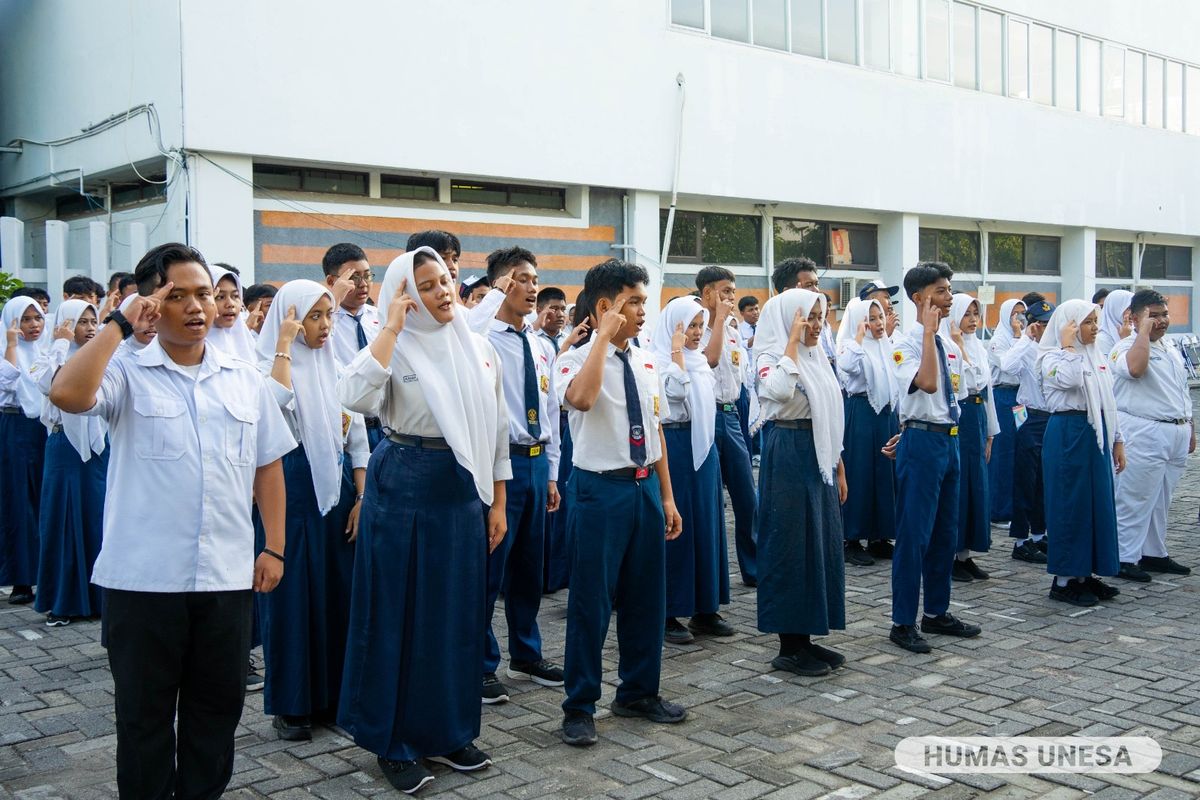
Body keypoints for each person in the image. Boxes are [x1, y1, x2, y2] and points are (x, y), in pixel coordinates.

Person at [49, 242, 292, 800]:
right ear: (149, 303)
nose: (197, 307)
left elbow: (268, 466)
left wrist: (273, 546)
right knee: (144, 721)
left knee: (216, 716)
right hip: (144, 583)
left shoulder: (242, 375)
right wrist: (118, 322)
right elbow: (66, 393)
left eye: (203, 293)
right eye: (175, 295)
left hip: (225, 580)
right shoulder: (127, 371)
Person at [337, 247, 509, 794]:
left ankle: (450, 730)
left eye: (446, 281)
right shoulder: (392, 345)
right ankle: (393, 741)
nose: (442, 292)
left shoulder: (478, 348)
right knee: (397, 614)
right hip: (404, 477)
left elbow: (498, 431)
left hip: (462, 486)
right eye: (427, 285)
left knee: (455, 613)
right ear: (404, 295)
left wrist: (498, 503)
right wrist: (388, 329)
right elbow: (354, 397)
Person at [555, 258, 685, 748]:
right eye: (633, 303)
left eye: (644, 303)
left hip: (644, 485)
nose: (642, 312)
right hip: (598, 491)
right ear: (607, 305)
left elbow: (657, 433)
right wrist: (601, 341)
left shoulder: (647, 360)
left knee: (647, 598)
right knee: (591, 602)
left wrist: (667, 497)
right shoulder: (572, 357)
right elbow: (582, 400)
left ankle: (638, 691)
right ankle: (580, 705)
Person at [254, 280, 369, 741]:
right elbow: (274, 404)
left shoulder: (333, 366)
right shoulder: (265, 366)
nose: (324, 326)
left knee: (337, 595)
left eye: (328, 316)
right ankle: (293, 703)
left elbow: (356, 434)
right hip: (291, 486)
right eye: (313, 316)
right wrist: (282, 342)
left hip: (337, 489)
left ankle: (333, 696)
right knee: (292, 596)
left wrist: (361, 497)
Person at [479, 246, 564, 704]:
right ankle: (481, 662)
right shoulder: (482, 337)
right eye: (520, 279)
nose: (530, 288)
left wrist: (551, 473)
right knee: (491, 567)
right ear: (500, 285)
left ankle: (526, 653)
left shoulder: (538, 343)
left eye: (534, 279)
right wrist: (493, 297)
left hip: (533, 460)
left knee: (530, 566)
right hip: (499, 464)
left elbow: (549, 410)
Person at [887, 263, 982, 654]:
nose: (948, 298)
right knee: (914, 535)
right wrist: (928, 333)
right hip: (923, 446)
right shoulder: (904, 343)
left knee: (945, 533)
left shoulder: (947, 343)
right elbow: (925, 383)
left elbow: (957, 392)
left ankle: (937, 611)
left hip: (948, 440)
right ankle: (902, 621)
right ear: (919, 298)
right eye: (941, 292)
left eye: (948, 290)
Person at [755, 288, 848, 676]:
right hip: (789, 448)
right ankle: (788, 646)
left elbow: (830, 411)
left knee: (818, 542)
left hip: (818, 453)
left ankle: (808, 636)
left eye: (819, 317)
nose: (815, 325)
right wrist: (791, 342)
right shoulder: (770, 354)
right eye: (806, 317)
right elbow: (775, 391)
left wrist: (839, 466)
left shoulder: (816, 356)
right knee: (790, 543)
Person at [651, 296, 729, 645]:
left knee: (707, 525)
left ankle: (705, 608)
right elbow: (673, 395)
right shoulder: (656, 360)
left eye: (701, 325)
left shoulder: (700, 362)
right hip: (675, 447)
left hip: (703, 449)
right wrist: (676, 355)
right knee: (676, 527)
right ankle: (668, 611)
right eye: (690, 326)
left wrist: (685, 356)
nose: (697, 333)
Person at [1038, 299, 1124, 606]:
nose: (1094, 327)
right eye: (1086, 322)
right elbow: (1068, 379)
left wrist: (1118, 439)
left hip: (1096, 434)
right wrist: (1067, 346)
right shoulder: (1051, 356)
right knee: (1070, 504)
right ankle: (1064, 580)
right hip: (1068, 433)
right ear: (1069, 325)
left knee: (1096, 504)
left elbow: (1108, 400)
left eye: (1094, 321)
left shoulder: (1097, 355)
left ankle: (1087, 574)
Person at [30, 300, 107, 626]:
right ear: (64, 324)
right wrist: (61, 342)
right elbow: (48, 384)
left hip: (100, 449)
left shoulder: (103, 356)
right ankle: (64, 601)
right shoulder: (46, 355)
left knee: (96, 520)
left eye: (93, 321)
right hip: (64, 448)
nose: (90, 328)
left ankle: (100, 598)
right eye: (81, 322)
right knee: (63, 522)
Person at [1111, 290, 1193, 582]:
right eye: (1152, 316)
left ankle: (1153, 552)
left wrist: (1190, 425)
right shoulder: (1124, 347)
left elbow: (1180, 389)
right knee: (1134, 496)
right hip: (1144, 430)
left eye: (1164, 314)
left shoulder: (1170, 347)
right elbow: (1135, 369)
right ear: (1133, 318)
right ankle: (1123, 556)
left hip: (1175, 429)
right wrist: (1141, 333)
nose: (1161, 321)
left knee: (1161, 499)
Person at [696, 266, 758, 587]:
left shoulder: (734, 330)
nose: (730, 298)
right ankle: (713, 574)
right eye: (724, 292)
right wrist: (717, 319)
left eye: (733, 292)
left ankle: (755, 567)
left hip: (732, 416)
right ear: (707, 293)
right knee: (710, 500)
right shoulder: (694, 327)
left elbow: (742, 378)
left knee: (747, 495)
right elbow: (709, 360)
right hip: (706, 416)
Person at [835, 297, 899, 567]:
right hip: (861, 414)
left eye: (880, 317)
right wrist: (859, 336)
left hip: (885, 417)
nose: (878, 323)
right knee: (861, 474)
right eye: (871, 318)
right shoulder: (851, 346)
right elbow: (848, 368)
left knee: (884, 475)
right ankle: (852, 539)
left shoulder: (886, 345)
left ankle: (879, 536)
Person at [943, 294, 1000, 582]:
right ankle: (951, 554)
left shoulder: (979, 345)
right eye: (967, 314)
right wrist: (960, 349)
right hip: (961, 418)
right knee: (960, 485)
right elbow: (968, 382)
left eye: (976, 313)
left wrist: (990, 433)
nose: (973, 320)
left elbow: (985, 390)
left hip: (977, 417)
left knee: (977, 485)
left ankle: (966, 554)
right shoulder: (950, 346)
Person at [999, 296, 1056, 564]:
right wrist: (1025, 339)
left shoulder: (1056, 348)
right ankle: (1021, 540)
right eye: (1041, 324)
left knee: (1044, 480)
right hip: (1029, 416)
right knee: (1026, 479)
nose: (1046, 329)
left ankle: (1039, 535)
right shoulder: (1026, 348)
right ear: (1032, 325)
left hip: (1050, 418)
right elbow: (1008, 366)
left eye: (1049, 323)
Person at [0, 296, 49, 605]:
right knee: (18, 502)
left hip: (43, 428)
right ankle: (21, 580)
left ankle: (46, 576)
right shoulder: (7, 351)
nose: (33, 325)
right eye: (25, 319)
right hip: (14, 427)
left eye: (38, 318)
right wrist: (12, 345)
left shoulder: (46, 350)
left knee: (44, 501)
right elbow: (7, 382)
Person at [986, 298, 1026, 525]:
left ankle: (1015, 507)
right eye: (1015, 314)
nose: (1019, 319)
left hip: (1019, 398)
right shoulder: (997, 341)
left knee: (1019, 448)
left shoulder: (1022, 338)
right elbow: (1009, 366)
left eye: (1022, 313)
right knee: (1003, 452)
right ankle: (998, 509)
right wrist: (1020, 337)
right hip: (1003, 396)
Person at [771, 258, 835, 363]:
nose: (816, 290)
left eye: (817, 284)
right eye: (809, 285)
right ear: (787, 293)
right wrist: (793, 342)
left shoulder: (813, 342)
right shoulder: (772, 351)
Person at [207, 263, 258, 362]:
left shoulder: (245, 343)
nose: (230, 304)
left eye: (235, 296)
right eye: (220, 297)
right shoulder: (189, 350)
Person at [1096, 289, 1133, 358]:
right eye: (1129, 308)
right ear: (1115, 308)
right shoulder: (1101, 340)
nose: (1133, 313)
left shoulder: (1134, 332)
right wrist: (1126, 340)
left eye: (1135, 308)